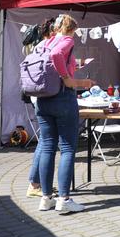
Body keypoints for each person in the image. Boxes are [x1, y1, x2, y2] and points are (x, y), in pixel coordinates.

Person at [36, 14, 94, 213]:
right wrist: (69, 79)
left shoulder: (45, 42)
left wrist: (71, 68)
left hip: (43, 98)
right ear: (71, 29)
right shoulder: (66, 40)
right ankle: (64, 199)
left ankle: (46, 198)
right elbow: (56, 56)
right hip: (62, 97)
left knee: (48, 148)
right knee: (68, 148)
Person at [27, 18, 55, 198]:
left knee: (45, 141)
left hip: (38, 95)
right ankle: (35, 184)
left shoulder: (38, 47)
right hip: (44, 97)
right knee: (45, 142)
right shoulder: (49, 47)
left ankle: (35, 183)